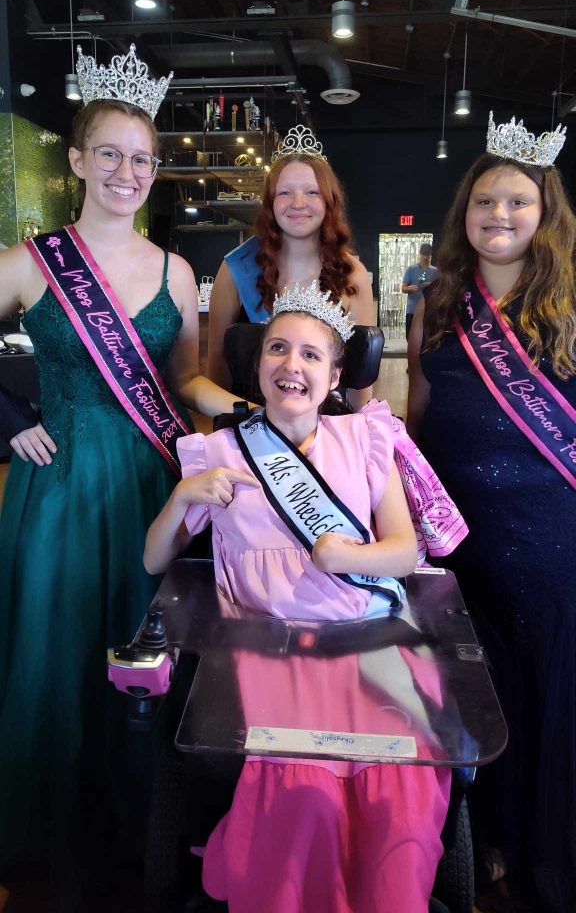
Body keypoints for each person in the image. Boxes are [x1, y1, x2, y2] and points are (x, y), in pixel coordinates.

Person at [0, 44, 245, 906]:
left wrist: (248, 419)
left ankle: (146, 818)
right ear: (76, 160)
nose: (127, 171)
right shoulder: (28, 261)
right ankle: (59, 830)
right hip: (59, 490)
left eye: (142, 158)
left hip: (150, 485)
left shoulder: (176, 272)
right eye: (110, 152)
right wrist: (9, 423)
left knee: (147, 650)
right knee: (59, 648)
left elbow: (184, 382)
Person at [146, 283, 470, 913]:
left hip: (369, 640)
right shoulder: (215, 453)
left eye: (311, 355)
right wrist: (183, 498)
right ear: (256, 364)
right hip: (265, 648)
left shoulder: (366, 438)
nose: (292, 365)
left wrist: (346, 555)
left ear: (336, 373)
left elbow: (405, 551)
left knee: (398, 783)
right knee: (301, 790)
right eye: (277, 349)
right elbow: (154, 558)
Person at [407, 112, 576, 913]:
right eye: (484, 203)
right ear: (463, 213)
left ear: (545, 214)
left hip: (553, 547)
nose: (498, 217)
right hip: (461, 544)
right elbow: (413, 415)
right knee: (480, 702)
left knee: (552, 706)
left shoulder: (571, 302)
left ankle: (549, 860)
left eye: (517, 203)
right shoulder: (437, 299)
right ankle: (490, 848)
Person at [206, 124, 375, 410]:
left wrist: (359, 438)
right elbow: (218, 370)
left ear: (329, 201)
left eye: (311, 192)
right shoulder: (236, 270)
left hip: (328, 431)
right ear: (270, 203)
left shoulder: (352, 273)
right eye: (285, 193)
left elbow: (361, 383)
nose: (298, 203)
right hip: (253, 427)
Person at [401, 242, 437, 340]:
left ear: (431, 256)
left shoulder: (435, 271)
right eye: (424, 255)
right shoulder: (411, 269)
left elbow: (440, 290)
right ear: (420, 254)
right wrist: (410, 288)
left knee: (427, 336)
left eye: (428, 255)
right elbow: (403, 288)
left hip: (428, 309)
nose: (425, 258)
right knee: (410, 337)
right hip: (412, 309)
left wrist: (431, 286)